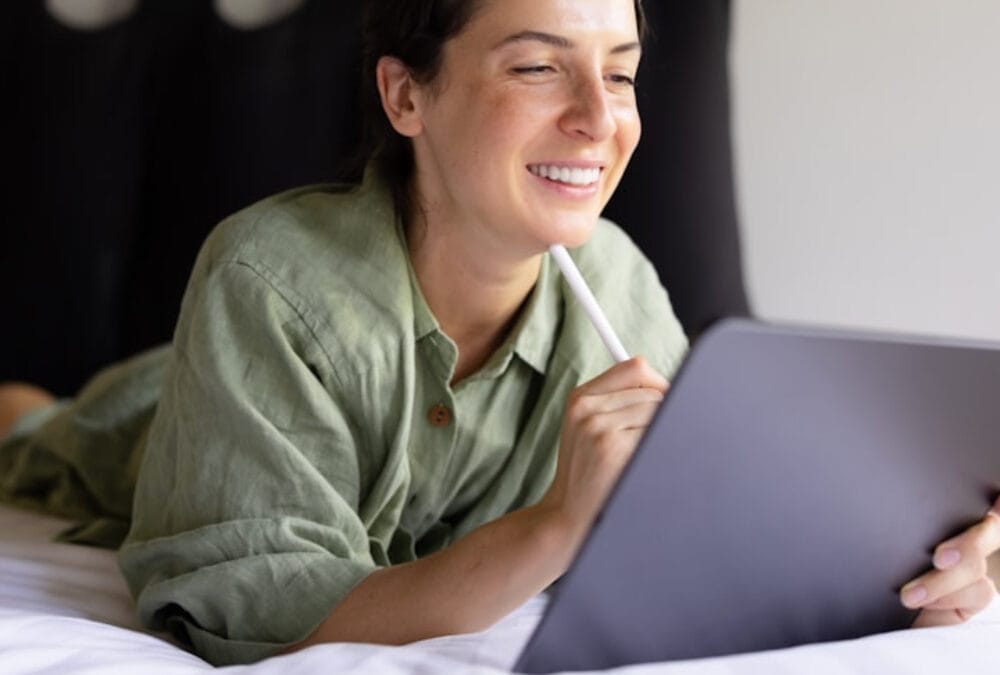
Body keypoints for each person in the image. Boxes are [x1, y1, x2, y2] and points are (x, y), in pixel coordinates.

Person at [1, 0, 998, 666]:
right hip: (163, 418)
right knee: (54, 437)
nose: (596, 118)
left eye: (622, 73)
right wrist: (552, 528)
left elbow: (729, 523)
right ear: (406, 95)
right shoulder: (266, 274)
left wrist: (923, 559)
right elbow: (252, 607)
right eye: (537, 67)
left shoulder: (614, 280)